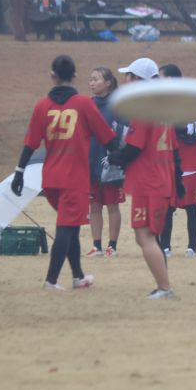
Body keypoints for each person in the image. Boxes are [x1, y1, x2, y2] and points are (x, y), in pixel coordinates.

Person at [12, 54, 117, 290]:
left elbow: (30, 143)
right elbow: (108, 138)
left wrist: (19, 172)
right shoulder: (83, 103)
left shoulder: (42, 105)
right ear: (75, 76)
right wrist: (123, 155)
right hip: (74, 179)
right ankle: (51, 280)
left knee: (71, 226)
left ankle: (78, 276)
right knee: (66, 229)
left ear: (53, 76)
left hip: (50, 179)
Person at [107, 57, 183, 299]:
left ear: (138, 80)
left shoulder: (143, 108)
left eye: (129, 76)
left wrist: (113, 157)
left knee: (145, 236)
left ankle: (165, 288)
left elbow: (134, 147)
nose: (125, 80)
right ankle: (163, 284)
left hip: (149, 182)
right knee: (149, 236)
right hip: (160, 180)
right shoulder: (161, 108)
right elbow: (174, 149)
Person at [158, 64, 196, 258]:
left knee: (191, 207)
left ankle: (191, 248)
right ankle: (165, 247)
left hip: (190, 161)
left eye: (161, 77)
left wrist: (187, 128)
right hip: (167, 161)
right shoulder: (158, 102)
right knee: (167, 208)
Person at [86, 67, 127, 258]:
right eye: (90, 79)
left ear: (108, 83)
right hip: (91, 160)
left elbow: (124, 133)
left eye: (96, 79)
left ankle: (112, 246)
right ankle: (97, 246)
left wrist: (116, 155)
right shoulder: (88, 105)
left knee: (112, 205)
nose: (92, 83)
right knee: (94, 206)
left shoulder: (118, 105)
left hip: (111, 163)